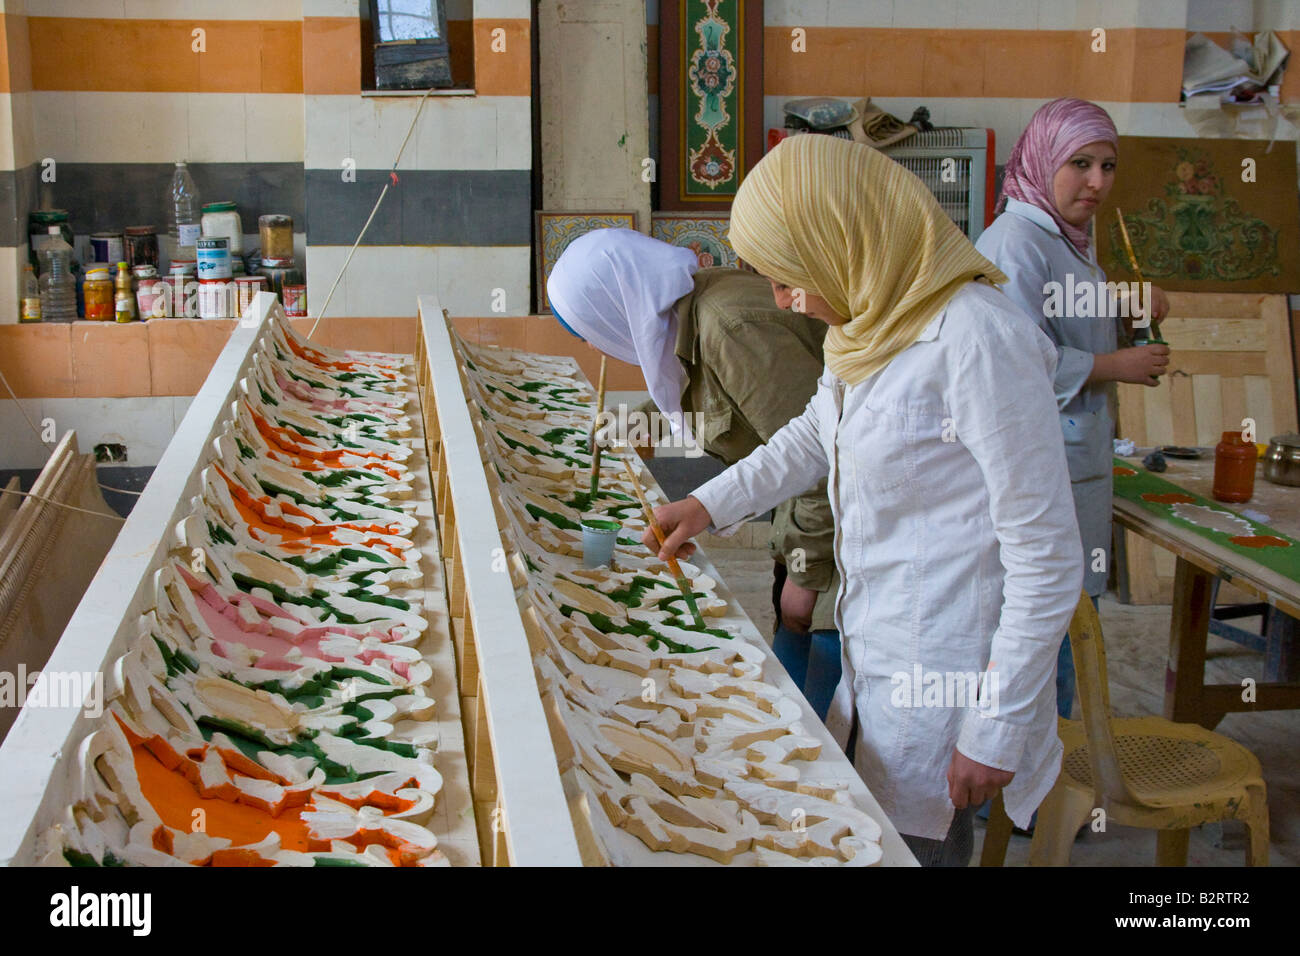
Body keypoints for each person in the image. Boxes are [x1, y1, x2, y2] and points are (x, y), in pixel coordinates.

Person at [646, 134, 1083, 866]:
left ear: (846, 239)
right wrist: (708, 505)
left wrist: (995, 729)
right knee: (871, 834)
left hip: (949, 683)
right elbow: (817, 433)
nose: (785, 300)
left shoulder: (978, 341)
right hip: (877, 653)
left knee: (917, 846)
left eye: (791, 279)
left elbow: (1047, 558)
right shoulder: (868, 323)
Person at [545, 228, 842, 718]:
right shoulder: (690, 303)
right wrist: (632, 420)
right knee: (792, 640)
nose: (601, 349)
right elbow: (704, 394)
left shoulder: (729, 328)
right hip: (808, 509)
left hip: (841, 524)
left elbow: (819, 459)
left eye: (593, 333)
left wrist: (807, 570)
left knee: (825, 675)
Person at [976, 98, 1170, 721]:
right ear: (1039, 160)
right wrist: (1117, 367)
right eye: (1080, 163)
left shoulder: (1069, 239)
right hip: (1040, 462)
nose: (1097, 182)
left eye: (1108, 166)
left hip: (1075, 456)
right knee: (1037, 617)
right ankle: (1030, 791)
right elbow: (1015, 365)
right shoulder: (1017, 243)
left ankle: (1046, 771)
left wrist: (1126, 305)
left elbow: (1066, 324)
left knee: (1063, 616)